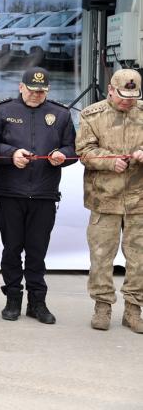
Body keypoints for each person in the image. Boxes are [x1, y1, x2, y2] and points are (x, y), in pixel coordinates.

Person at [0, 67, 76, 324]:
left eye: (42, 91)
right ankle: (12, 298)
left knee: (37, 252)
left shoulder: (60, 114)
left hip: (44, 194)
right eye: (32, 90)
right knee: (12, 250)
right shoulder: (2, 111)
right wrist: (10, 154)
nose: (37, 95)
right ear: (21, 87)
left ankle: (37, 302)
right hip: (10, 193)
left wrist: (62, 156)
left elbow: (72, 148)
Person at [76, 69, 143, 333]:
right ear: (111, 90)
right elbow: (84, 150)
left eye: (133, 97)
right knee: (102, 256)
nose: (128, 101)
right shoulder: (92, 115)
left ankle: (134, 309)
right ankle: (102, 306)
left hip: (139, 198)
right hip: (105, 197)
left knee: (139, 257)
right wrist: (109, 161)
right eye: (123, 96)